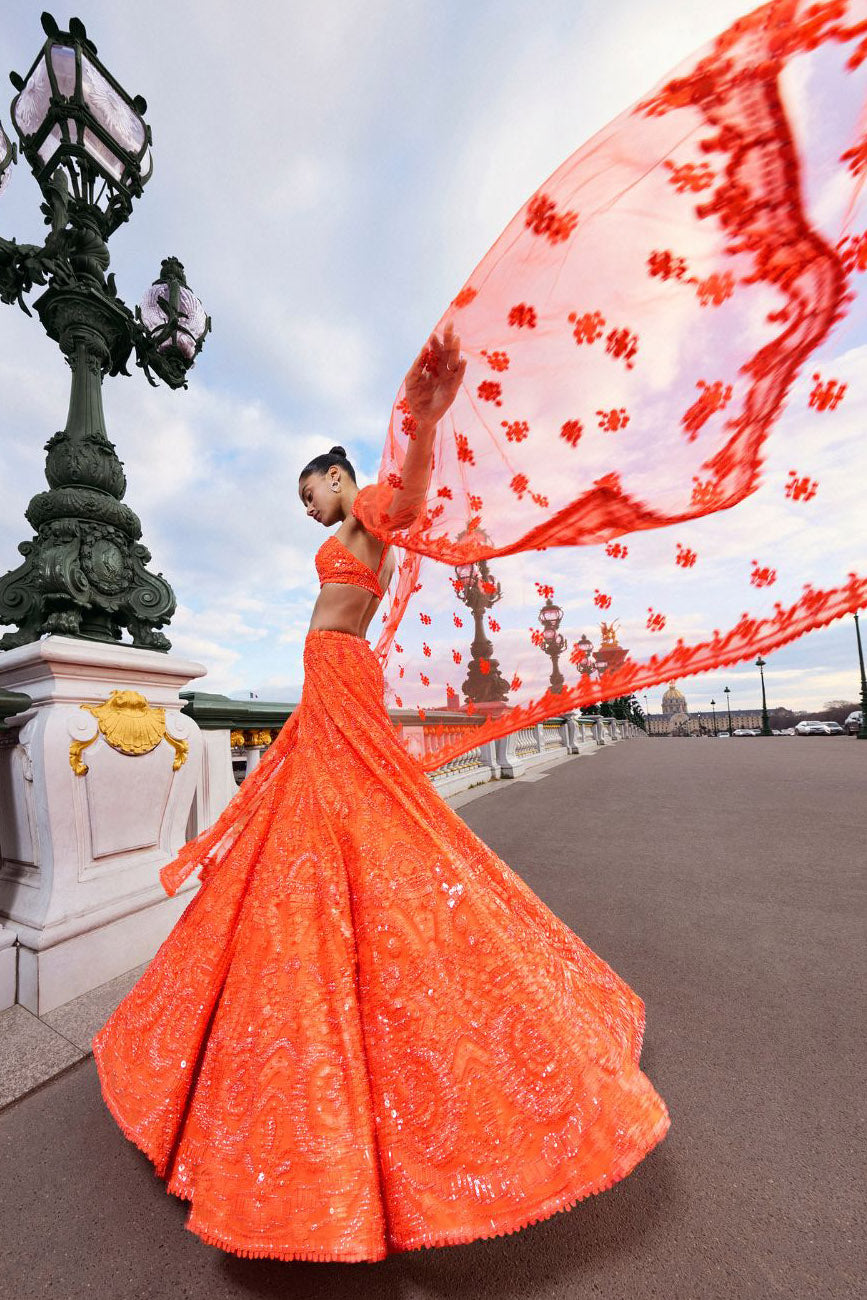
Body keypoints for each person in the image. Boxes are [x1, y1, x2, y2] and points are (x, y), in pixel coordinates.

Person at [92, 321, 670, 1263]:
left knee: (362, 830)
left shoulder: (366, 508)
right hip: (333, 682)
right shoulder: (351, 528)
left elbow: (406, 493)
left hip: (340, 679)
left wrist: (430, 415)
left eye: (304, 489)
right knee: (333, 828)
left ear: (331, 472)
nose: (305, 506)